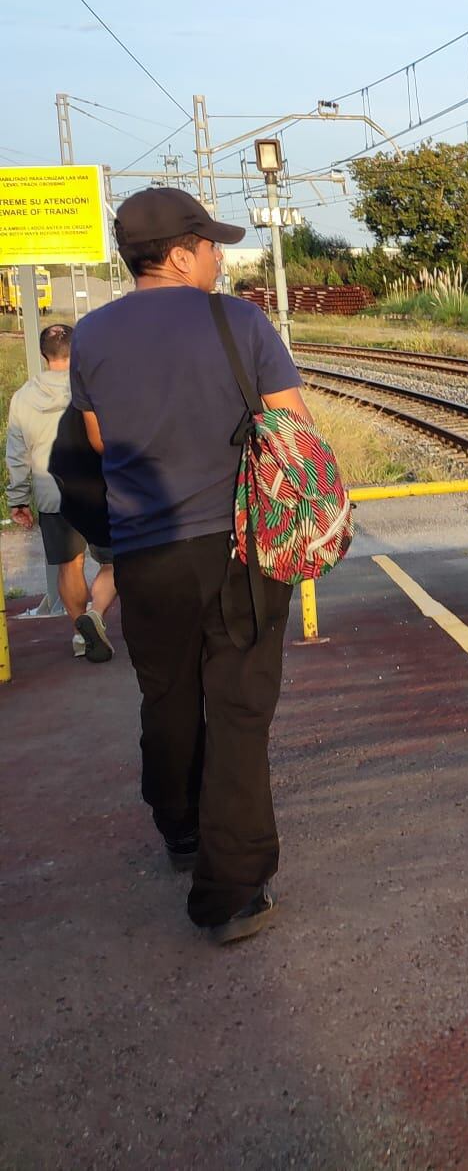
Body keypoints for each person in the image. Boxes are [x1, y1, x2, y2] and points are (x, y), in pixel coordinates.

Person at [70, 186, 308, 945]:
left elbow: (97, 438)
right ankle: (231, 893)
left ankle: (179, 828)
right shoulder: (238, 320)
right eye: (210, 247)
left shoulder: (90, 335)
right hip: (240, 550)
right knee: (238, 709)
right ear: (179, 255)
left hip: (145, 553)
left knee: (167, 696)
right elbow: (292, 423)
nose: (218, 259)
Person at [6, 323, 117, 661]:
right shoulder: (94, 387)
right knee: (116, 561)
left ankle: (81, 635)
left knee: (70, 565)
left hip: (51, 491)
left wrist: (18, 498)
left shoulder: (23, 397)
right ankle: (95, 614)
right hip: (97, 490)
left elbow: (16, 454)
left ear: (44, 355)